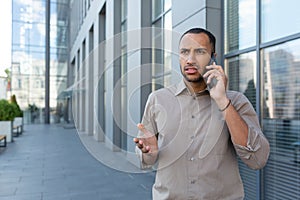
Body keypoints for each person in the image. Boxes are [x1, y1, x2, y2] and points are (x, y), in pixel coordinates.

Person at [133, 28, 270, 200]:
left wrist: (222, 101)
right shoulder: (157, 100)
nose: (190, 60)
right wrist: (148, 153)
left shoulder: (236, 101)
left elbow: (257, 159)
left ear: (213, 56)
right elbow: (145, 160)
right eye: (184, 52)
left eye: (200, 52)